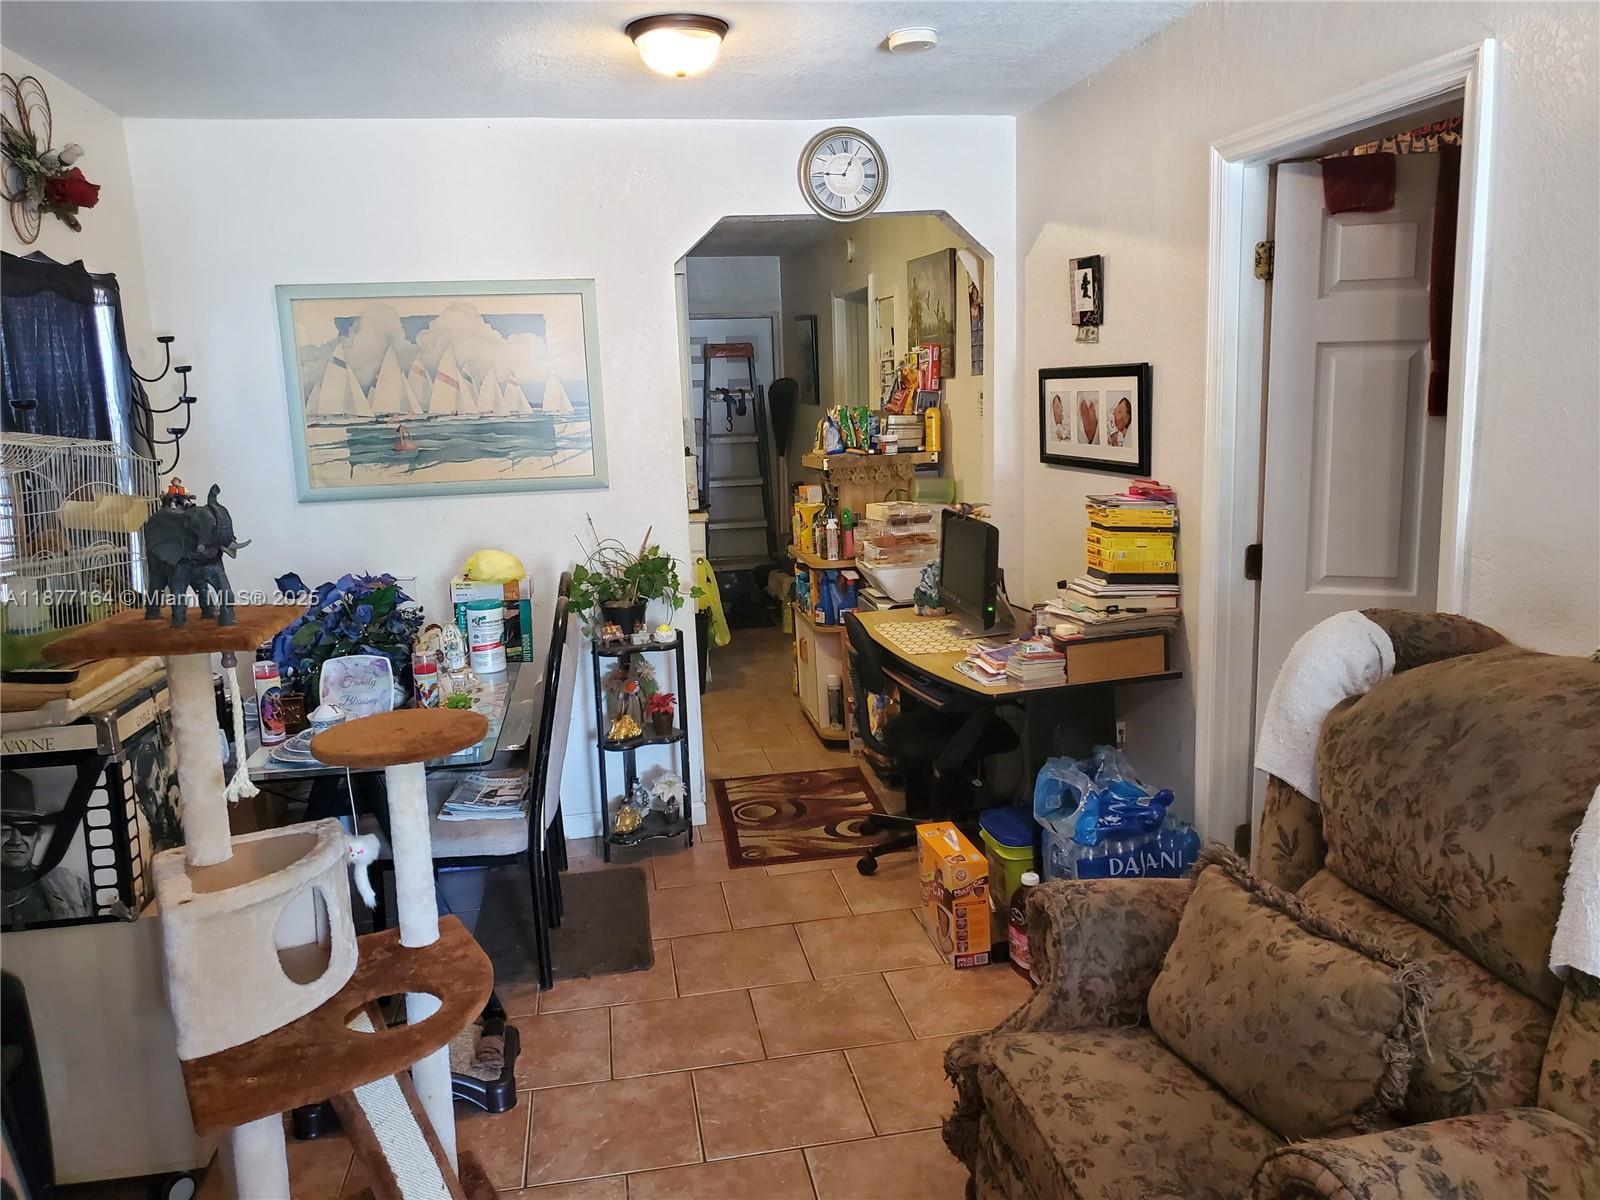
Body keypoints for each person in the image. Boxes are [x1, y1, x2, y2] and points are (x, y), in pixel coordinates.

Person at [1, 772, 92, 928]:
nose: (16, 841)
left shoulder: (72, 886)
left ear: (38, 836)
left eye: (27, 829)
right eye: (4, 830)